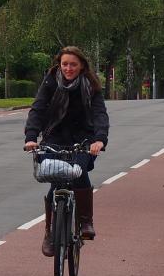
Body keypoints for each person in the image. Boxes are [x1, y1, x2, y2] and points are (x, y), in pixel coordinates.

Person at [24, 46, 110, 257]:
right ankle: (49, 231)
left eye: (73, 64)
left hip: (84, 139)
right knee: (55, 174)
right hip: (55, 136)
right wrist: (31, 138)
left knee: (78, 171)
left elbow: (100, 114)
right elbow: (38, 108)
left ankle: (85, 221)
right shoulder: (51, 81)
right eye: (65, 64)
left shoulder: (91, 85)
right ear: (59, 65)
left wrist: (99, 139)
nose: (68, 68)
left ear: (81, 66)